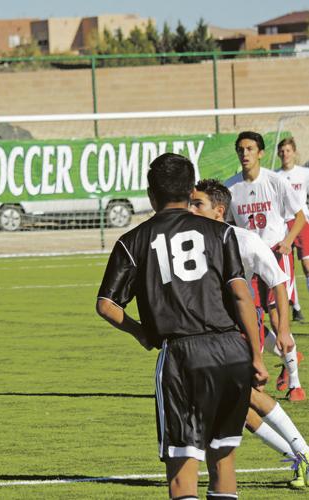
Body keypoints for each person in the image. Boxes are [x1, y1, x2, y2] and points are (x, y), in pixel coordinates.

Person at [97, 152, 267, 500]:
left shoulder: (132, 242)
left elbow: (107, 305)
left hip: (182, 356)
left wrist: (140, 331)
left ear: (150, 193)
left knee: (182, 468)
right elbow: (240, 295)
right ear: (191, 191)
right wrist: (256, 356)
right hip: (231, 351)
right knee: (223, 459)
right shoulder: (221, 234)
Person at [190, 179, 309, 489]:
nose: (190, 209)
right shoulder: (190, 242)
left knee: (248, 395)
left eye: (197, 204)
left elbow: (279, 281)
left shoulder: (245, 241)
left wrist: (282, 329)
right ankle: (299, 457)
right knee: (234, 408)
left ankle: (305, 453)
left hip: (240, 327)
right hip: (210, 332)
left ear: (218, 211)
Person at [225, 131, 306, 402]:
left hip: (273, 254)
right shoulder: (231, 187)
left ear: (260, 153)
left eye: (249, 149)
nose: (244, 154)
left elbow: (299, 217)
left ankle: (295, 382)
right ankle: (284, 361)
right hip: (248, 261)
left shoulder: (275, 181)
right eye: (240, 149)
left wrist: (288, 241)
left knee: (277, 320)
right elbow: (227, 225)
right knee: (251, 320)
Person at [275, 137, 309, 322]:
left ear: (294, 152)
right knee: (287, 270)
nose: (285, 154)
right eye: (282, 151)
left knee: (306, 265)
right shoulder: (275, 175)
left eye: (288, 150)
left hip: (302, 222)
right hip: (283, 225)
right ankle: (296, 308)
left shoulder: (304, 173)